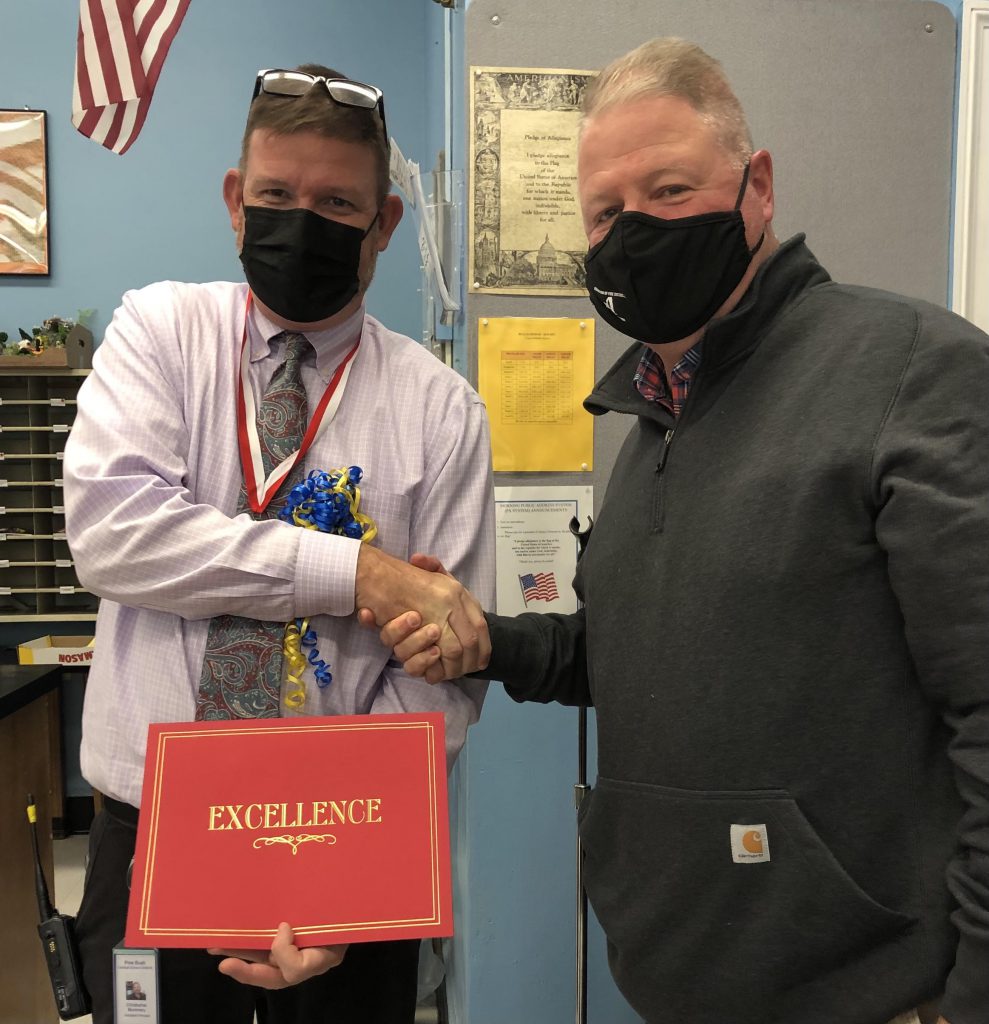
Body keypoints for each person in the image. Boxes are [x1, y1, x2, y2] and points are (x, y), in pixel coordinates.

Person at [369, 38, 989, 1024]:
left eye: (667, 191)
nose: (633, 233)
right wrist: (487, 644)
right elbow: (630, 650)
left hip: (872, 995)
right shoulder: (651, 417)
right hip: (675, 979)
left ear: (758, 187)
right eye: (606, 212)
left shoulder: (911, 371)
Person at [63, 63, 494, 1024]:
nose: (302, 222)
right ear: (234, 200)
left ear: (383, 224)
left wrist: (350, 871)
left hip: (345, 835)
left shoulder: (440, 410)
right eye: (276, 196)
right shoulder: (159, 333)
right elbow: (115, 536)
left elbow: (443, 667)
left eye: (337, 203)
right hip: (150, 831)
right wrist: (358, 574)